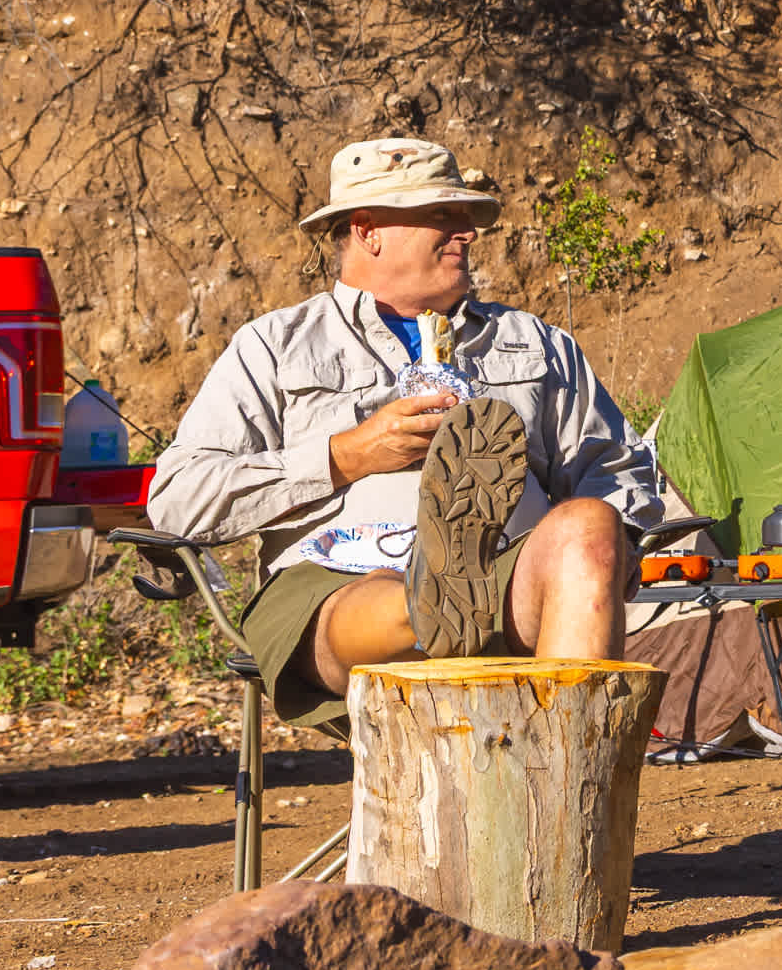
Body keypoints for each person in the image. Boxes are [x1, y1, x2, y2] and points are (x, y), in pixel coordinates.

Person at [146, 135, 666, 733]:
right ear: (368, 230)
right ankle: (432, 598)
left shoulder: (533, 342)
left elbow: (615, 467)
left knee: (592, 525)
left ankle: (565, 765)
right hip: (334, 584)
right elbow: (179, 499)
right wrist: (348, 455)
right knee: (394, 597)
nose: (467, 232)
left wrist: (617, 541)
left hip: (506, 570)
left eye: (466, 217)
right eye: (442, 215)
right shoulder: (276, 345)